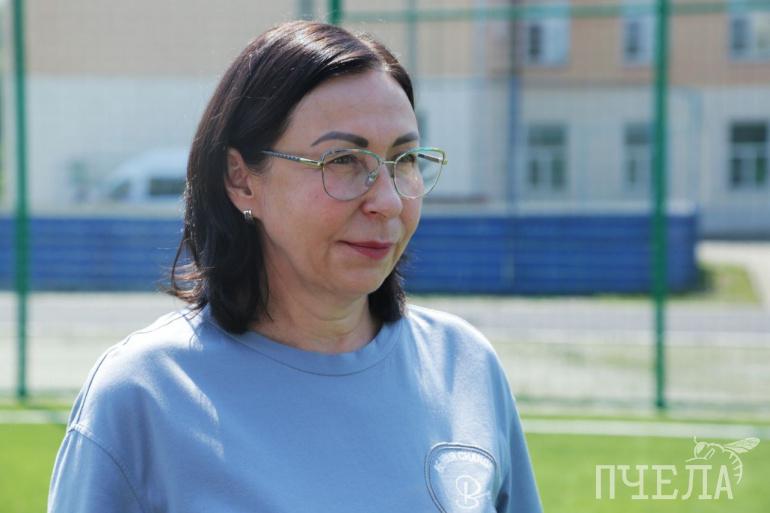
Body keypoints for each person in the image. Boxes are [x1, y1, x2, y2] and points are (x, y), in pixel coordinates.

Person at [48, 20, 542, 513]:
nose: (388, 201)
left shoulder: (465, 367)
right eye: (343, 160)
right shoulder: (144, 395)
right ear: (242, 181)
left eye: (405, 159)